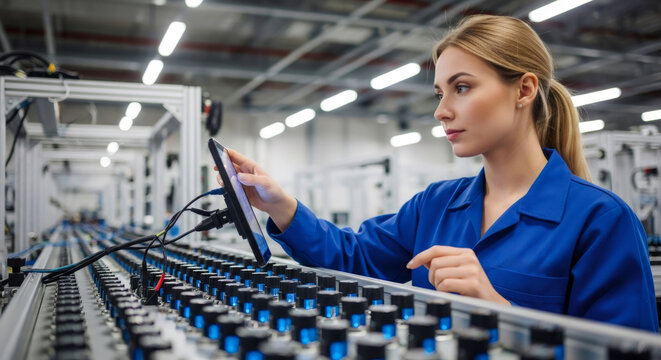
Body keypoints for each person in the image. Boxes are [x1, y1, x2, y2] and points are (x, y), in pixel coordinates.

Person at [216, 15, 658, 332]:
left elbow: (627, 351)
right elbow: (354, 259)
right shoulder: (436, 205)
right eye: (440, 91)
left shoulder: (601, 221)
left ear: (524, 90)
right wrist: (280, 205)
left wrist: (503, 311)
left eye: (462, 88)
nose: (441, 110)